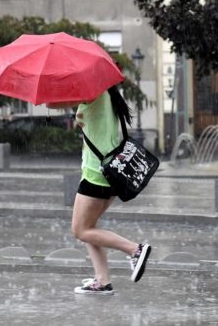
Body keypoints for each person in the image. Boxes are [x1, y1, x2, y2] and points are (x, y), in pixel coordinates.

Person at [70, 84, 152, 296]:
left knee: (80, 230)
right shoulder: (108, 94)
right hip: (107, 173)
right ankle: (102, 280)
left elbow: (54, 103)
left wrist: (48, 98)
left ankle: (135, 249)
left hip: (96, 175)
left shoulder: (93, 94)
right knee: (90, 229)